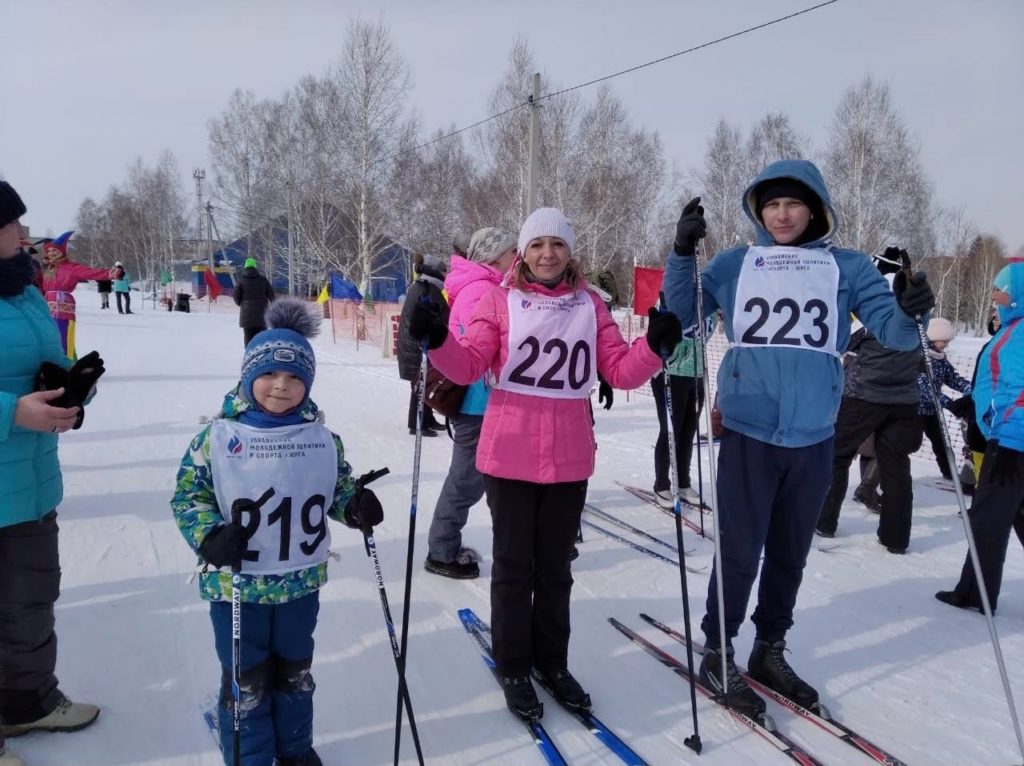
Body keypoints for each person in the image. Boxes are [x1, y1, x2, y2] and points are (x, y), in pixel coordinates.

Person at [663, 160, 933, 718]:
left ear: (815, 207)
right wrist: (682, 254)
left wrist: (913, 308)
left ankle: (770, 648)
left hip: (813, 435)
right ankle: (717, 648)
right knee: (740, 551)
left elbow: (898, 335)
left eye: (793, 203)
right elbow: (683, 317)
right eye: (771, 205)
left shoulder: (847, 267)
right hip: (749, 432)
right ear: (758, 210)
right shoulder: (738, 263)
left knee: (790, 553)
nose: (782, 214)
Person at [409, 207, 682, 719]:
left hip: (569, 458)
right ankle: (513, 663)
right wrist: (437, 338)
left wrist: (654, 347)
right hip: (507, 454)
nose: (547, 254)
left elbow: (620, 372)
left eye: (557, 244)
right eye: (537, 245)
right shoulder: (499, 299)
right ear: (523, 251)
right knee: (514, 567)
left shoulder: (590, 306)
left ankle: (551, 661)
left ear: (570, 252)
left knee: (556, 570)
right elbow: (468, 363)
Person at [170, 298, 383, 766]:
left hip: (299, 584)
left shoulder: (320, 438)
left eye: (294, 378)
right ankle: (251, 757)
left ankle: (294, 749)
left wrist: (355, 506)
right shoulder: (218, 438)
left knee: (294, 675)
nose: (281, 387)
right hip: (238, 587)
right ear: (248, 376)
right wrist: (208, 536)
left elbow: (335, 487)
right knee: (247, 681)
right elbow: (189, 497)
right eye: (268, 375)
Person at [0, 182, 102, 766]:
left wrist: (71, 385)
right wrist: (14, 411)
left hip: (32, 482)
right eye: (14, 223)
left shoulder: (25, 290)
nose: (23, 232)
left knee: (30, 602)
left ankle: (27, 700)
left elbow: (43, 365)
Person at [816, 247, 927, 554]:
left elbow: (843, 341)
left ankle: (824, 520)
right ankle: (895, 537)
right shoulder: (915, 310)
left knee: (837, 455)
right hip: (903, 398)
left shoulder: (875, 311)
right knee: (896, 466)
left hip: (864, 394)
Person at [425, 228, 518, 579]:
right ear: (495, 257)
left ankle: (447, 544)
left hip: (479, 400)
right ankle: (442, 550)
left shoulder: (475, 285)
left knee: (480, 479)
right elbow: (475, 348)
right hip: (479, 402)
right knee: (466, 481)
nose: (517, 259)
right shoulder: (484, 290)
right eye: (512, 253)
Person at [936, 263, 1024, 614]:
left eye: (1001, 289)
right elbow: (998, 387)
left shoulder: (1018, 335)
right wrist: (972, 404)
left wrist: (1009, 442)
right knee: (1009, 515)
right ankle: (974, 591)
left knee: (988, 518)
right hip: (1008, 437)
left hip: (1011, 445)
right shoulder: (1013, 328)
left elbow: (1019, 392)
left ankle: (975, 594)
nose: (994, 296)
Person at [651, 312, 711, 509]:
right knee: (670, 431)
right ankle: (661, 484)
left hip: (696, 373)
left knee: (688, 431)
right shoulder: (674, 299)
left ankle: (683, 482)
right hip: (671, 372)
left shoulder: (706, 303)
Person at [915, 316, 971, 482]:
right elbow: (926, 389)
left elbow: (952, 377)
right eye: (944, 340)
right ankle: (886, 474)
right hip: (914, 410)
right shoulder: (919, 357)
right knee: (909, 443)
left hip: (932, 410)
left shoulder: (940, 358)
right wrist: (951, 404)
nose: (947, 344)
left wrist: (970, 389)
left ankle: (949, 472)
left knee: (941, 442)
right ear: (932, 338)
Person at [397, 254, 447, 436]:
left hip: (414, 343)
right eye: (443, 270)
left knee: (424, 382)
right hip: (417, 345)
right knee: (420, 383)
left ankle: (426, 418)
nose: (446, 274)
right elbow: (439, 314)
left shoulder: (422, 286)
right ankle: (417, 423)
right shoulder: (427, 289)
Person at [40, 231, 112, 359]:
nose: (50, 254)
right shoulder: (50, 269)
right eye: (49, 251)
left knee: (63, 339)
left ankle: (68, 366)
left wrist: (110, 273)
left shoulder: (71, 267)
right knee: (49, 339)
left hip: (62, 309)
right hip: (47, 309)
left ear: (62, 252)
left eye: (54, 251)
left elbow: (90, 272)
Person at [233, 257, 276, 346]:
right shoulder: (263, 280)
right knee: (262, 340)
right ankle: (262, 357)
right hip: (262, 316)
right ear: (255, 267)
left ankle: (249, 357)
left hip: (247, 317)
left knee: (248, 340)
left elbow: (236, 297)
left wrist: (243, 304)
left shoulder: (241, 281)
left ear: (245, 268)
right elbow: (272, 296)